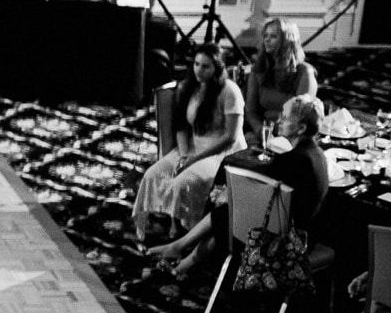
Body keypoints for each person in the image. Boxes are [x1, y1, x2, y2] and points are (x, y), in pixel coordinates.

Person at [148, 94, 330, 274]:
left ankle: (180, 254)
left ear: (301, 128)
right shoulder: (316, 155)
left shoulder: (293, 161)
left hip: (286, 242)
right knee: (228, 213)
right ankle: (182, 259)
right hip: (296, 231)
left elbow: (268, 203)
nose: (279, 120)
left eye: (285, 117)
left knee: (227, 214)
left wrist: (229, 197)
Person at [132, 45, 243, 241]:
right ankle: (153, 221)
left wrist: (193, 160)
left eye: (206, 66)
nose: (199, 70)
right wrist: (184, 156)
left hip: (222, 152)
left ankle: (184, 230)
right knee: (152, 174)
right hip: (193, 147)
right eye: (197, 64)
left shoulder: (230, 91)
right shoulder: (189, 87)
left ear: (217, 68)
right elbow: (181, 126)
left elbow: (231, 137)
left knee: (183, 183)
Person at [244, 17, 317, 145]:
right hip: (264, 131)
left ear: (287, 41)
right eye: (265, 35)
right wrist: (259, 130)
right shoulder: (259, 69)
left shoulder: (305, 71)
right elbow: (250, 110)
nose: (267, 39)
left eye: (273, 36)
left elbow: (302, 117)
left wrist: (281, 137)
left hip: (292, 135)